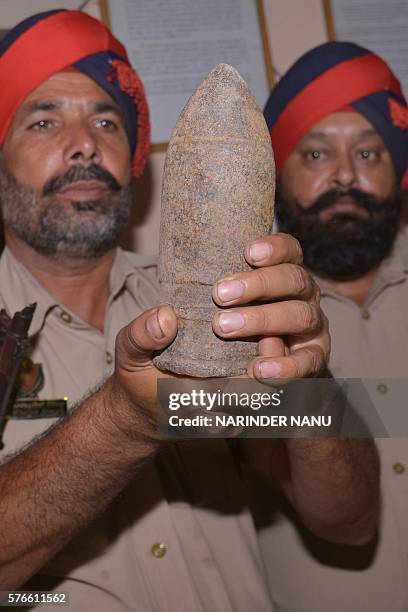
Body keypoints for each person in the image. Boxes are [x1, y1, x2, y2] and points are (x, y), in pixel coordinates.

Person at [0, 13, 379, 611]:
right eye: (43, 120)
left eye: (106, 120)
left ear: (135, 160)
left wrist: (308, 389)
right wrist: (124, 420)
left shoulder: (227, 301)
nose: (84, 143)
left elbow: (351, 523)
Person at [260, 41, 408, 611]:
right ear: (279, 173)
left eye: (369, 154)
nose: (346, 176)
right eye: (317, 155)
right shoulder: (240, 322)